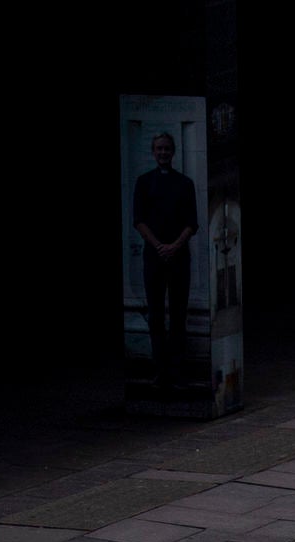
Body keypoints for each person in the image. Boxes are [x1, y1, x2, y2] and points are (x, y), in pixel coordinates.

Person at [133, 131, 200, 396]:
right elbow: (139, 220)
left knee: (179, 315)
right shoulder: (144, 182)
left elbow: (192, 223)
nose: (163, 153)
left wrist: (174, 246)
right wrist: (158, 245)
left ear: (173, 152)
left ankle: (177, 370)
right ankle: (160, 370)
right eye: (159, 149)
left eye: (167, 149)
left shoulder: (185, 183)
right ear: (153, 152)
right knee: (157, 316)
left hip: (179, 257)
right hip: (154, 257)